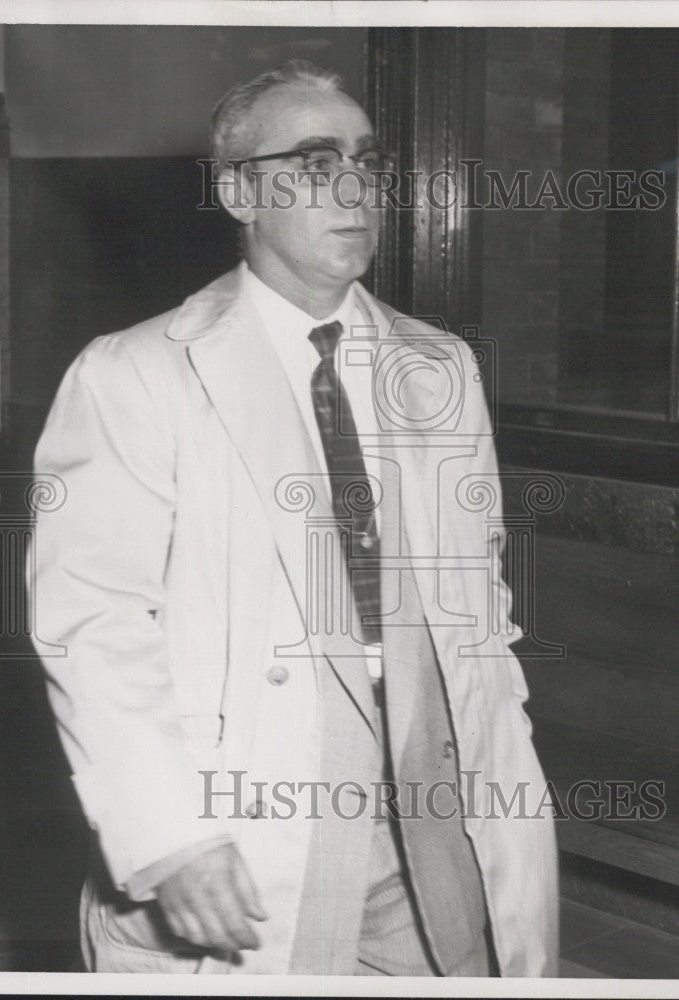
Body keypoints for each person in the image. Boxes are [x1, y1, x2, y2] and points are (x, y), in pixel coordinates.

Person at [30, 60, 558, 977]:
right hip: (251, 814)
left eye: (367, 162)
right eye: (316, 164)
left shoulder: (441, 367)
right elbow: (91, 621)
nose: (354, 189)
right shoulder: (133, 373)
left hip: (438, 803)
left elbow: (482, 590)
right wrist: (170, 835)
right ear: (240, 190)